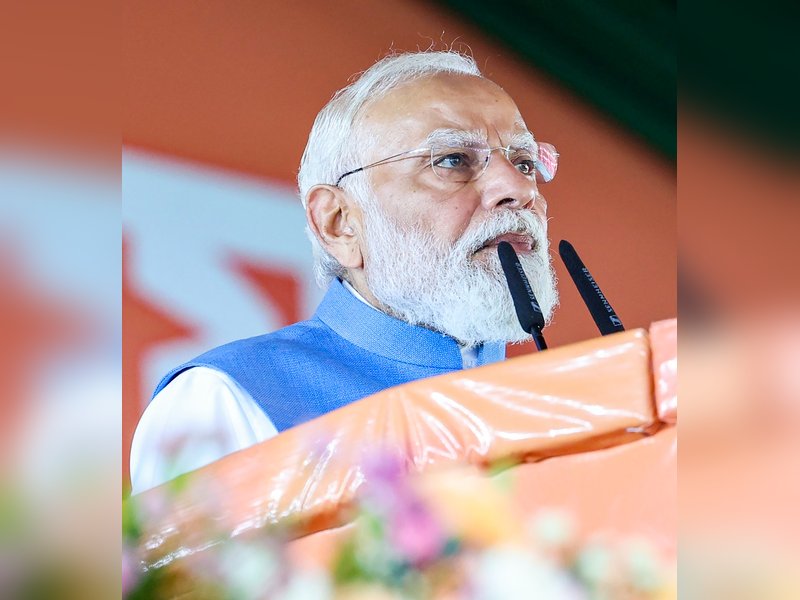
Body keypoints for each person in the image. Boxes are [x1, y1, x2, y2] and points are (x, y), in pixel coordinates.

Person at [130, 50, 560, 494]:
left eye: (525, 163)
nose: (518, 189)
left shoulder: (561, 405)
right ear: (339, 222)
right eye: (452, 159)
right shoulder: (226, 402)